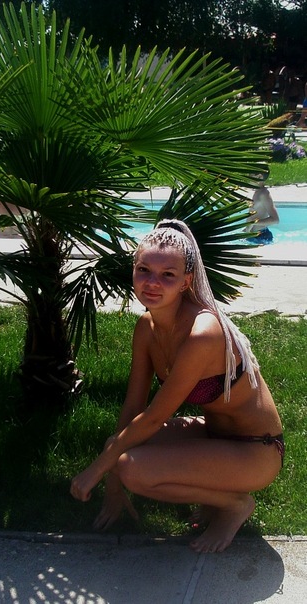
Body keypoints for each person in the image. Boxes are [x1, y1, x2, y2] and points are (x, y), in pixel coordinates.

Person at [70, 219, 284, 553]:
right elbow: (133, 407)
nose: (152, 283)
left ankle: (234, 504)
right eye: (144, 270)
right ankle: (213, 493)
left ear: (186, 281)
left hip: (256, 450)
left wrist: (97, 470)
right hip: (213, 435)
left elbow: (155, 416)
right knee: (119, 446)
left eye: (167, 275)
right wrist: (112, 487)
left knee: (131, 468)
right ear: (133, 270)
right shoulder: (146, 328)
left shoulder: (203, 332)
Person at [245, 172, 279, 245]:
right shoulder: (257, 192)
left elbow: (275, 220)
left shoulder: (264, 194)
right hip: (253, 235)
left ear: (259, 176)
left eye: (250, 174)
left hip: (261, 237)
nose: (248, 176)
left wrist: (253, 222)